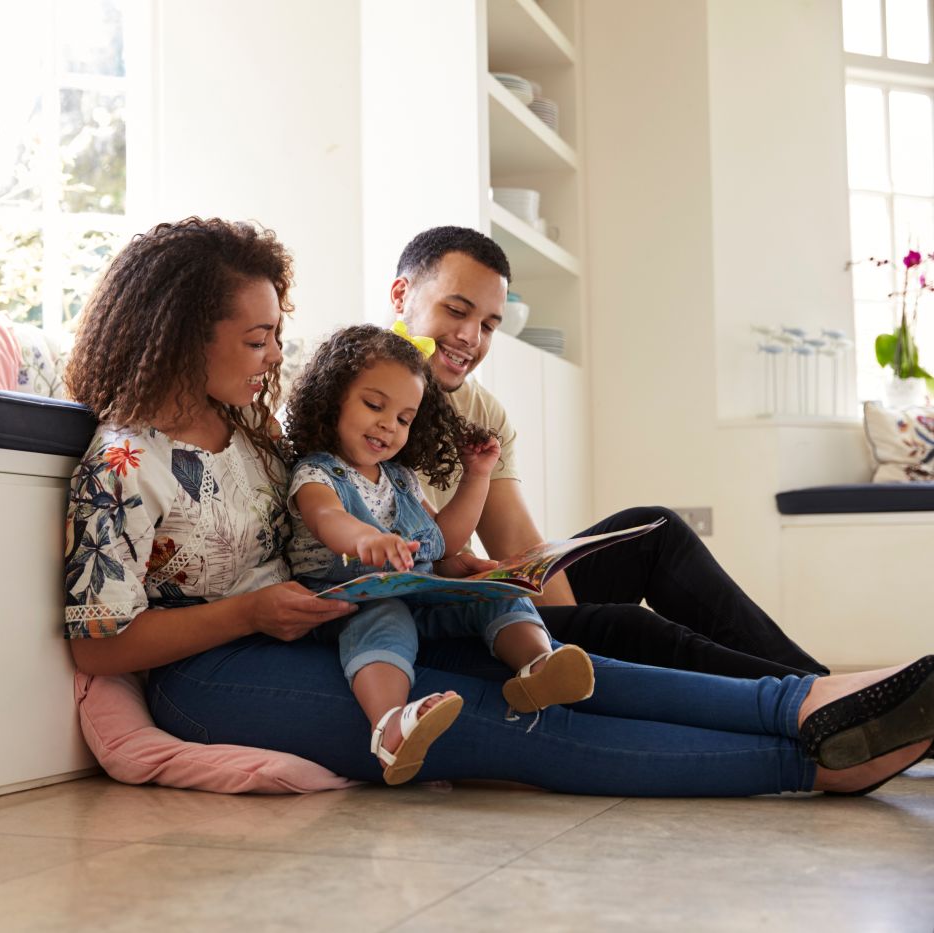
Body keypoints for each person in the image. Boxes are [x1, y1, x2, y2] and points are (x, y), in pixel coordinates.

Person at [62, 215, 933, 797]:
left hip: (326, 621)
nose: (271, 357)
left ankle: (799, 703)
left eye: (276, 336)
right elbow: (100, 639)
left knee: (550, 661)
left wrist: (455, 573)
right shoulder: (122, 460)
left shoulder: (250, 434)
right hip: (213, 676)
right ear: (182, 334)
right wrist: (252, 609)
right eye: (256, 341)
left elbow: (333, 527)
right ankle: (809, 763)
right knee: (509, 721)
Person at [389, 226, 830, 680]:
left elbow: (518, 547)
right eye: (456, 310)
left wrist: (569, 632)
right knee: (633, 627)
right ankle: (810, 703)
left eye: (487, 325)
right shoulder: (350, 395)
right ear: (402, 295)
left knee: (654, 532)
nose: (470, 337)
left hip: (488, 600)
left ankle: (820, 687)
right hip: (429, 617)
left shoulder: (481, 410)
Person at [281, 323, 594, 783]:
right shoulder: (317, 474)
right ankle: (389, 728)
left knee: (492, 591)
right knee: (384, 616)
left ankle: (537, 666)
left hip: (418, 596)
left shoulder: (400, 480)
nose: (389, 425)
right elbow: (327, 518)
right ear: (333, 399)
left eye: (405, 418)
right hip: (348, 604)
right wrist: (364, 540)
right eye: (374, 406)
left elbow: (442, 541)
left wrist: (478, 476)